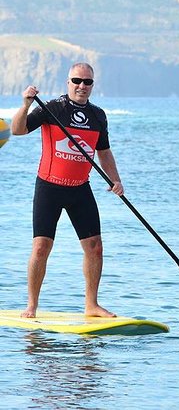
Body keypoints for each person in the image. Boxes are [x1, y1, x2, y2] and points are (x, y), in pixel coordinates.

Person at [11, 62, 124, 318]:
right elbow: (18, 130)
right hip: (49, 187)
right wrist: (26, 104)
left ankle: (91, 305)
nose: (82, 86)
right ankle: (31, 305)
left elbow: (103, 152)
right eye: (77, 81)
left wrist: (114, 180)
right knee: (41, 246)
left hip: (79, 189)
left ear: (93, 85)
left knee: (95, 246)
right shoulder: (52, 108)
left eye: (87, 82)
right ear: (68, 82)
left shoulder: (98, 116)